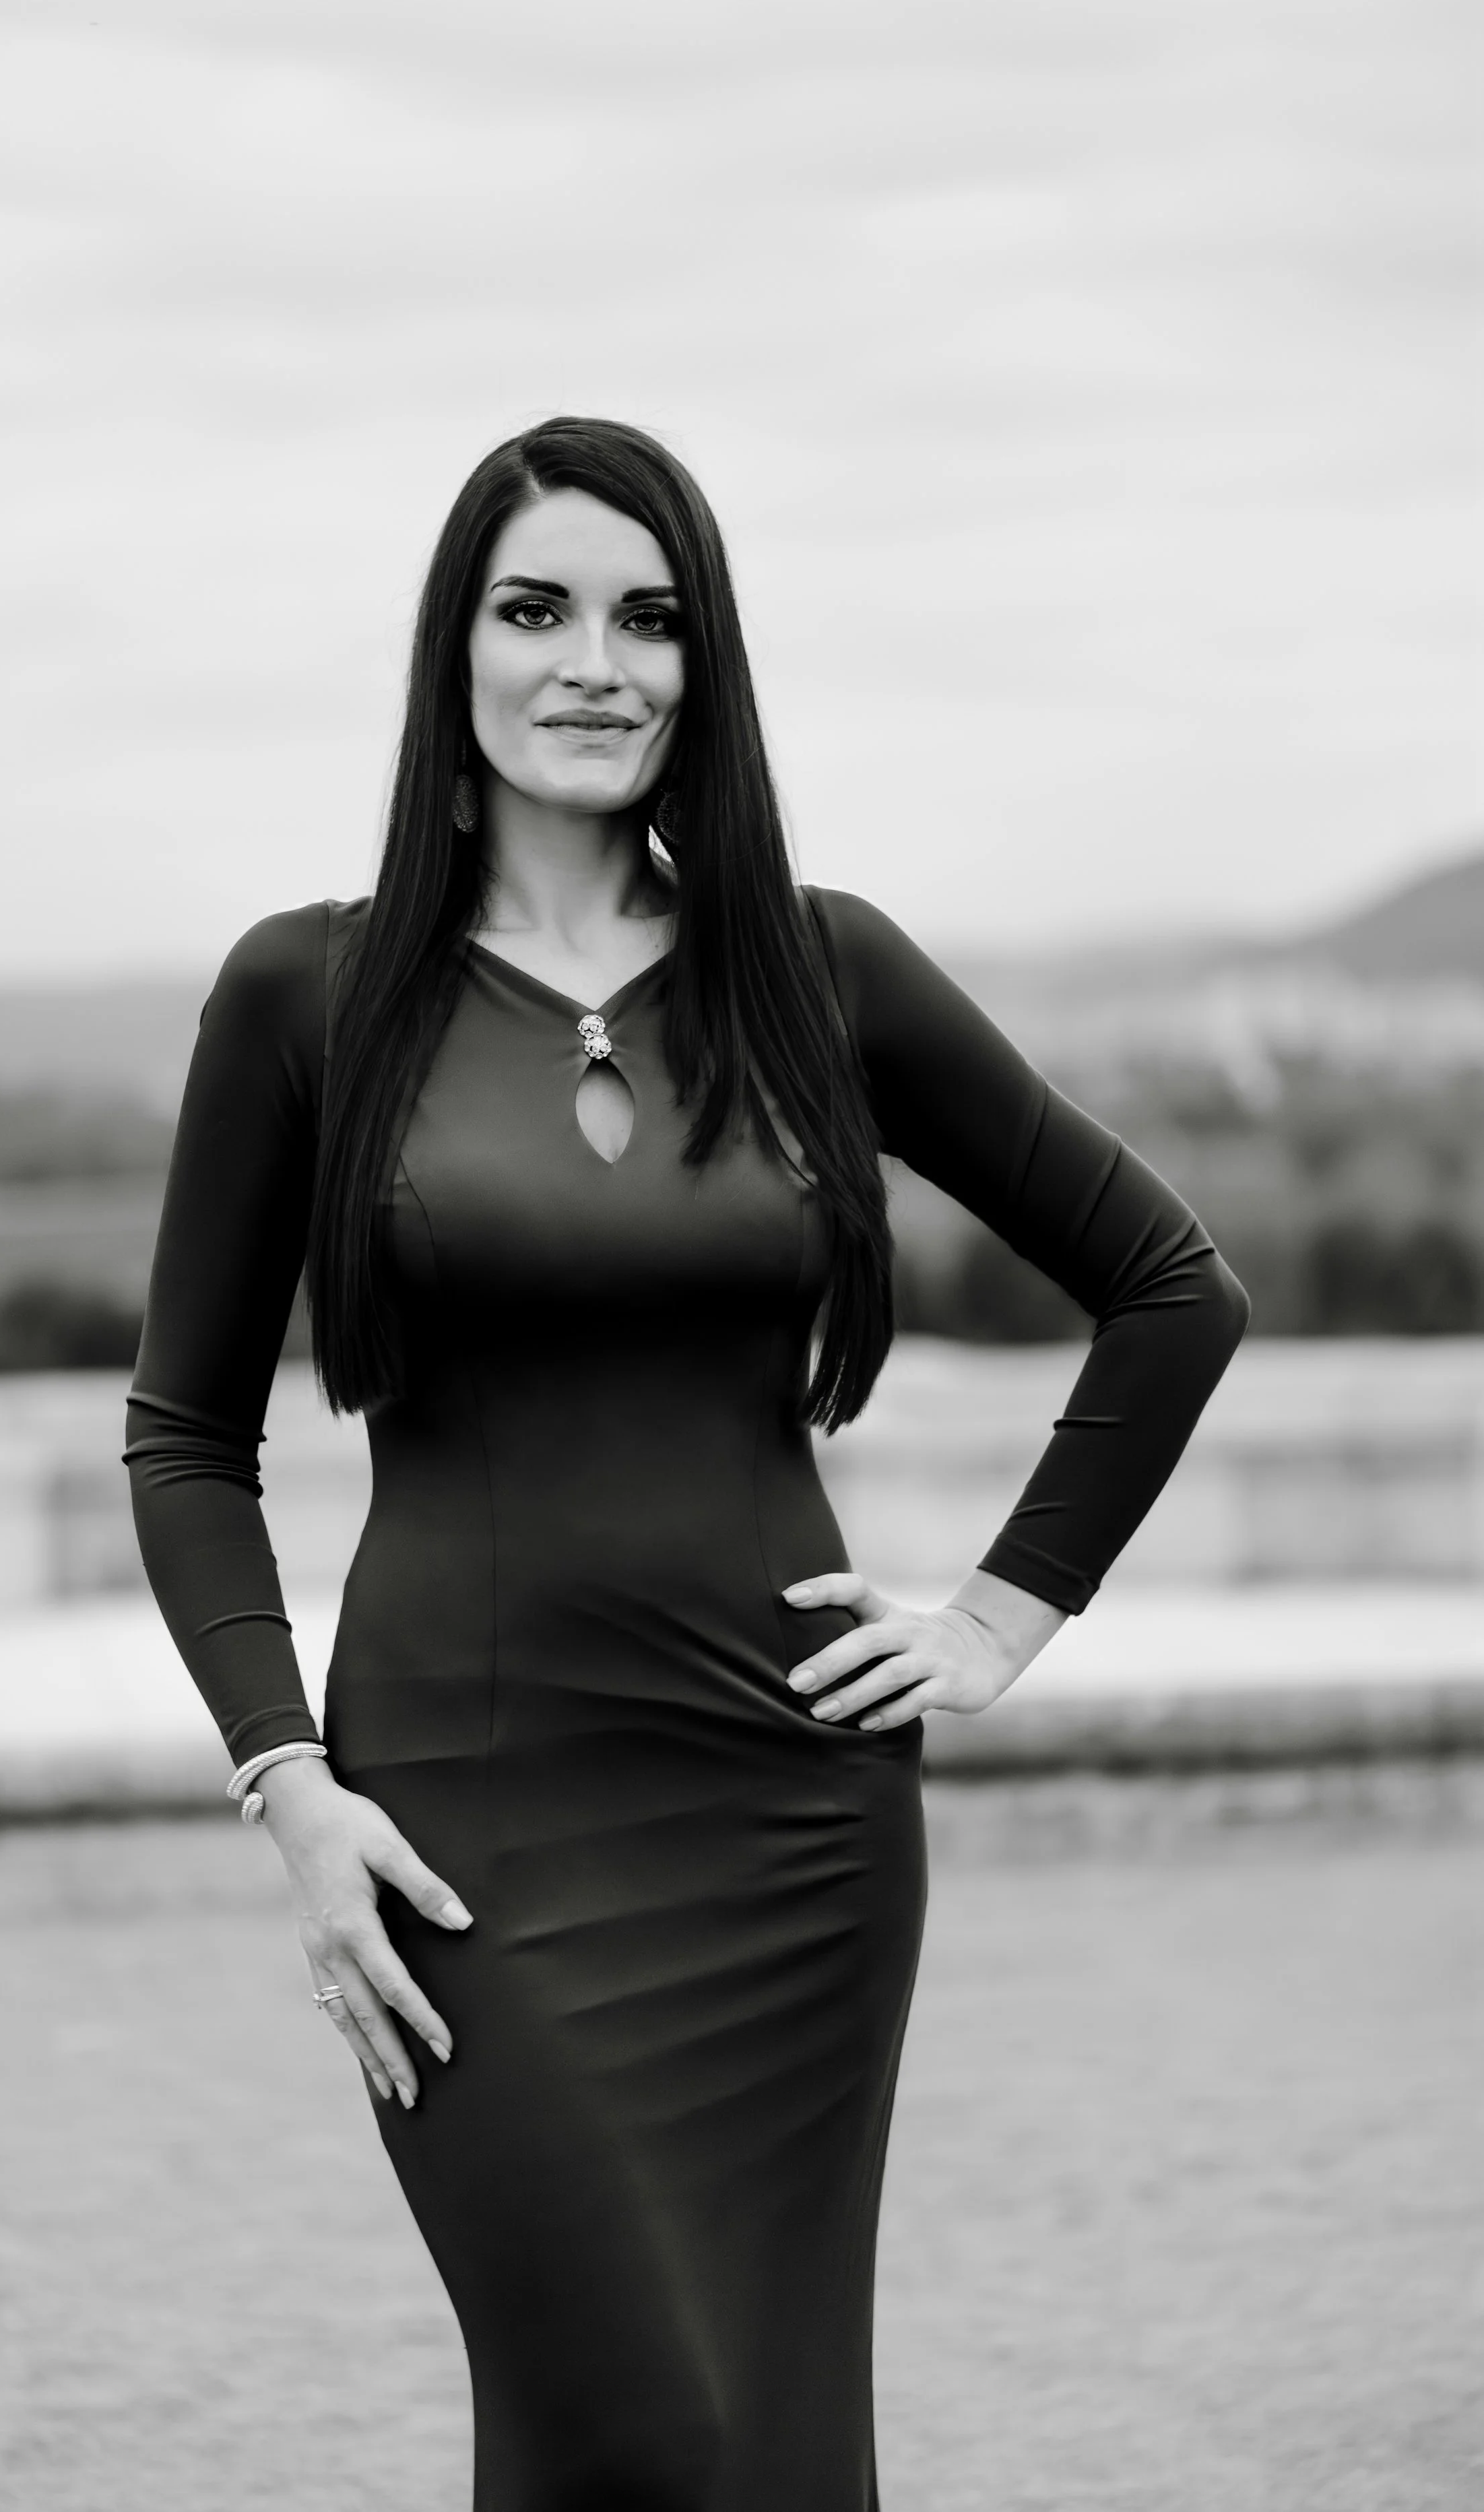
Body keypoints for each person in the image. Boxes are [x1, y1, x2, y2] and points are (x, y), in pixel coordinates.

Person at [126, 416, 1249, 2511]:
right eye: (534, 608)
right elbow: (186, 1434)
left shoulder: (821, 974)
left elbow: (1171, 1285)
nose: (595, 662)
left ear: (705, 665)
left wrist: (1001, 1620)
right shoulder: (309, 991)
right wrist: (289, 1786)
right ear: (450, 652)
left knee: (765, 2452)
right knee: (633, 2424)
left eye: (651, 618)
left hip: (789, 1825)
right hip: (461, 1823)